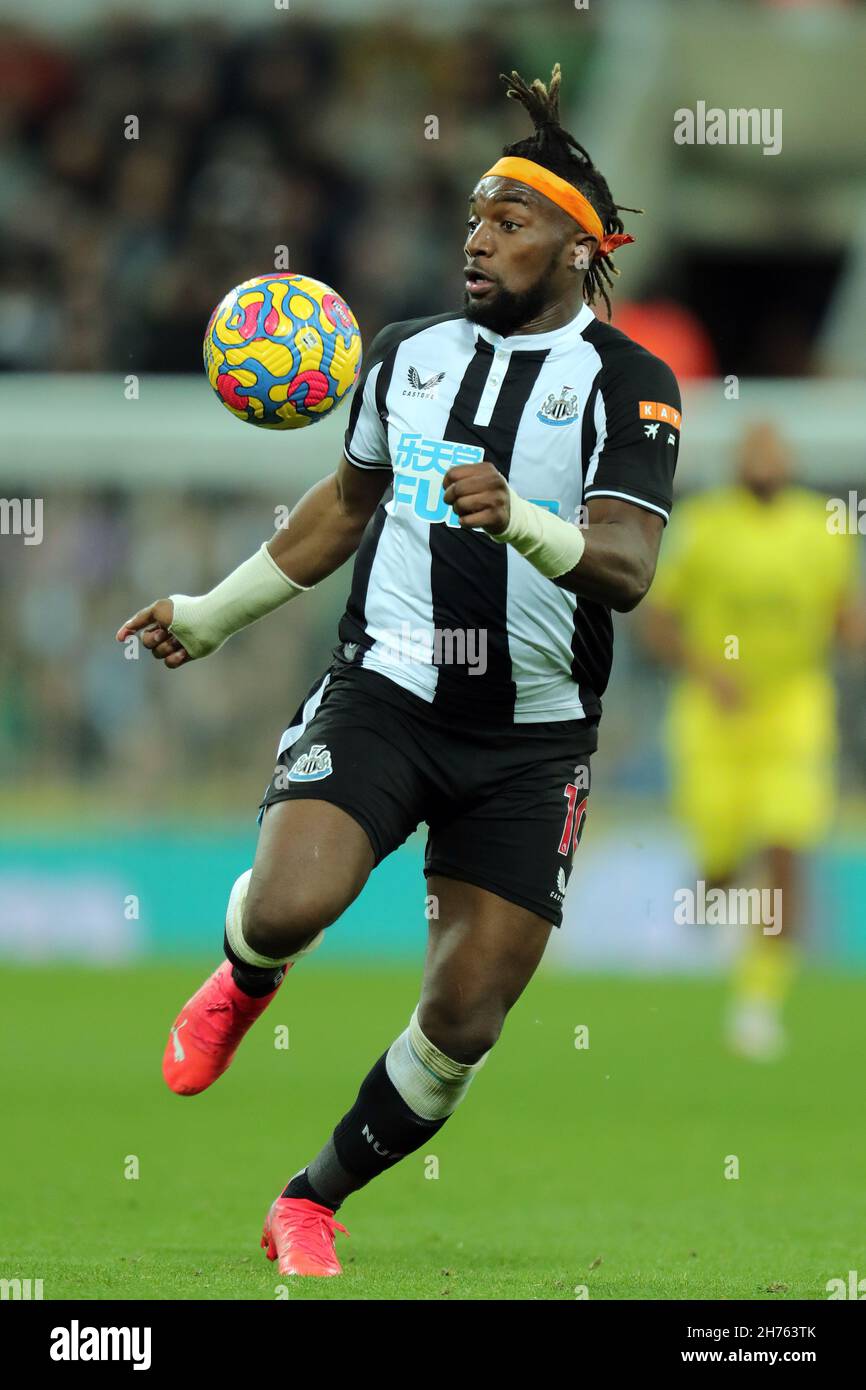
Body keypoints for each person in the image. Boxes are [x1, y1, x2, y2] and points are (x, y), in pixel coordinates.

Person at [117, 64, 681, 1278]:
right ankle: (242, 975)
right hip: (387, 691)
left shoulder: (630, 384)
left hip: (532, 741)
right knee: (288, 903)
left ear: (579, 250)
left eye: (508, 221)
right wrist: (213, 614)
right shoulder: (405, 353)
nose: (475, 239)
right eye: (472, 216)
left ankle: (309, 1197)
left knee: (465, 1013)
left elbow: (627, 567)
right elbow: (343, 506)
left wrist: (521, 521)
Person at [643, 422, 863, 1060]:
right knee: (721, 861)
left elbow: (843, 611)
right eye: (754, 449)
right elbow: (658, 621)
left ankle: (759, 1003)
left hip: (793, 710)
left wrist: (851, 630)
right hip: (712, 719)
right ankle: (712, 909)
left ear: (789, 460)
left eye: (775, 449)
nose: (765, 459)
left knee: (785, 846)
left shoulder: (820, 528)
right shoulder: (705, 525)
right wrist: (708, 670)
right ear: (740, 460)